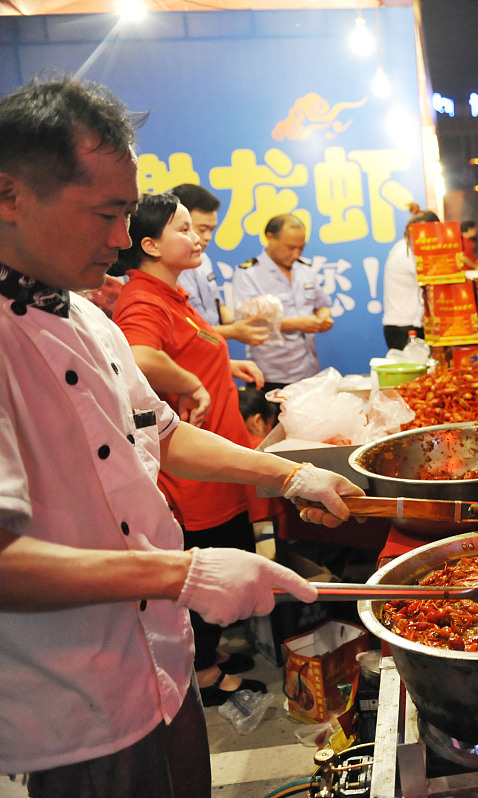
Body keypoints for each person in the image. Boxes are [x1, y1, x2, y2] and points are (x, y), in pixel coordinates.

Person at [0, 75, 361, 798]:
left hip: (160, 666)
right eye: (104, 214)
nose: (120, 239)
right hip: (75, 707)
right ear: (8, 195)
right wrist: (183, 574)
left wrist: (285, 475)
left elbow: (161, 435)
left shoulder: (86, 315)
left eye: (129, 214)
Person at [112, 191, 274, 705]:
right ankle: (203, 672)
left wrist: (225, 368)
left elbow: (184, 351)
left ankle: (210, 655)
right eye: (186, 229)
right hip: (191, 472)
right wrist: (196, 384)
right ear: (150, 244)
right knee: (209, 564)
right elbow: (140, 356)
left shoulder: (172, 296)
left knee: (228, 551)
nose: (199, 237)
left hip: (216, 459)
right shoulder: (141, 298)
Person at [231, 214, 333, 391]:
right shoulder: (249, 273)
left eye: (301, 248)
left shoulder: (305, 270)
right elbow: (249, 322)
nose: (296, 254)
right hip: (271, 375)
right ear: (270, 237)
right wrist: (299, 324)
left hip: (308, 372)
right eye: (290, 248)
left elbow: (322, 304)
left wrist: (324, 317)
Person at [170, 183, 267, 348]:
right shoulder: (162, 267)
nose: (208, 237)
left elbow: (215, 310)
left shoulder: (204, 260)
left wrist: (248, 316)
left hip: (212, 354)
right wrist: (232, 332)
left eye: (212, 229)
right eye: (202, 229)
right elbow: (180, 331)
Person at [382, 210, 439, 350]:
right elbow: (432, 275)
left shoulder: (412, 248)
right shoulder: (405, 251)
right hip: (403, 328)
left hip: (412, 326)